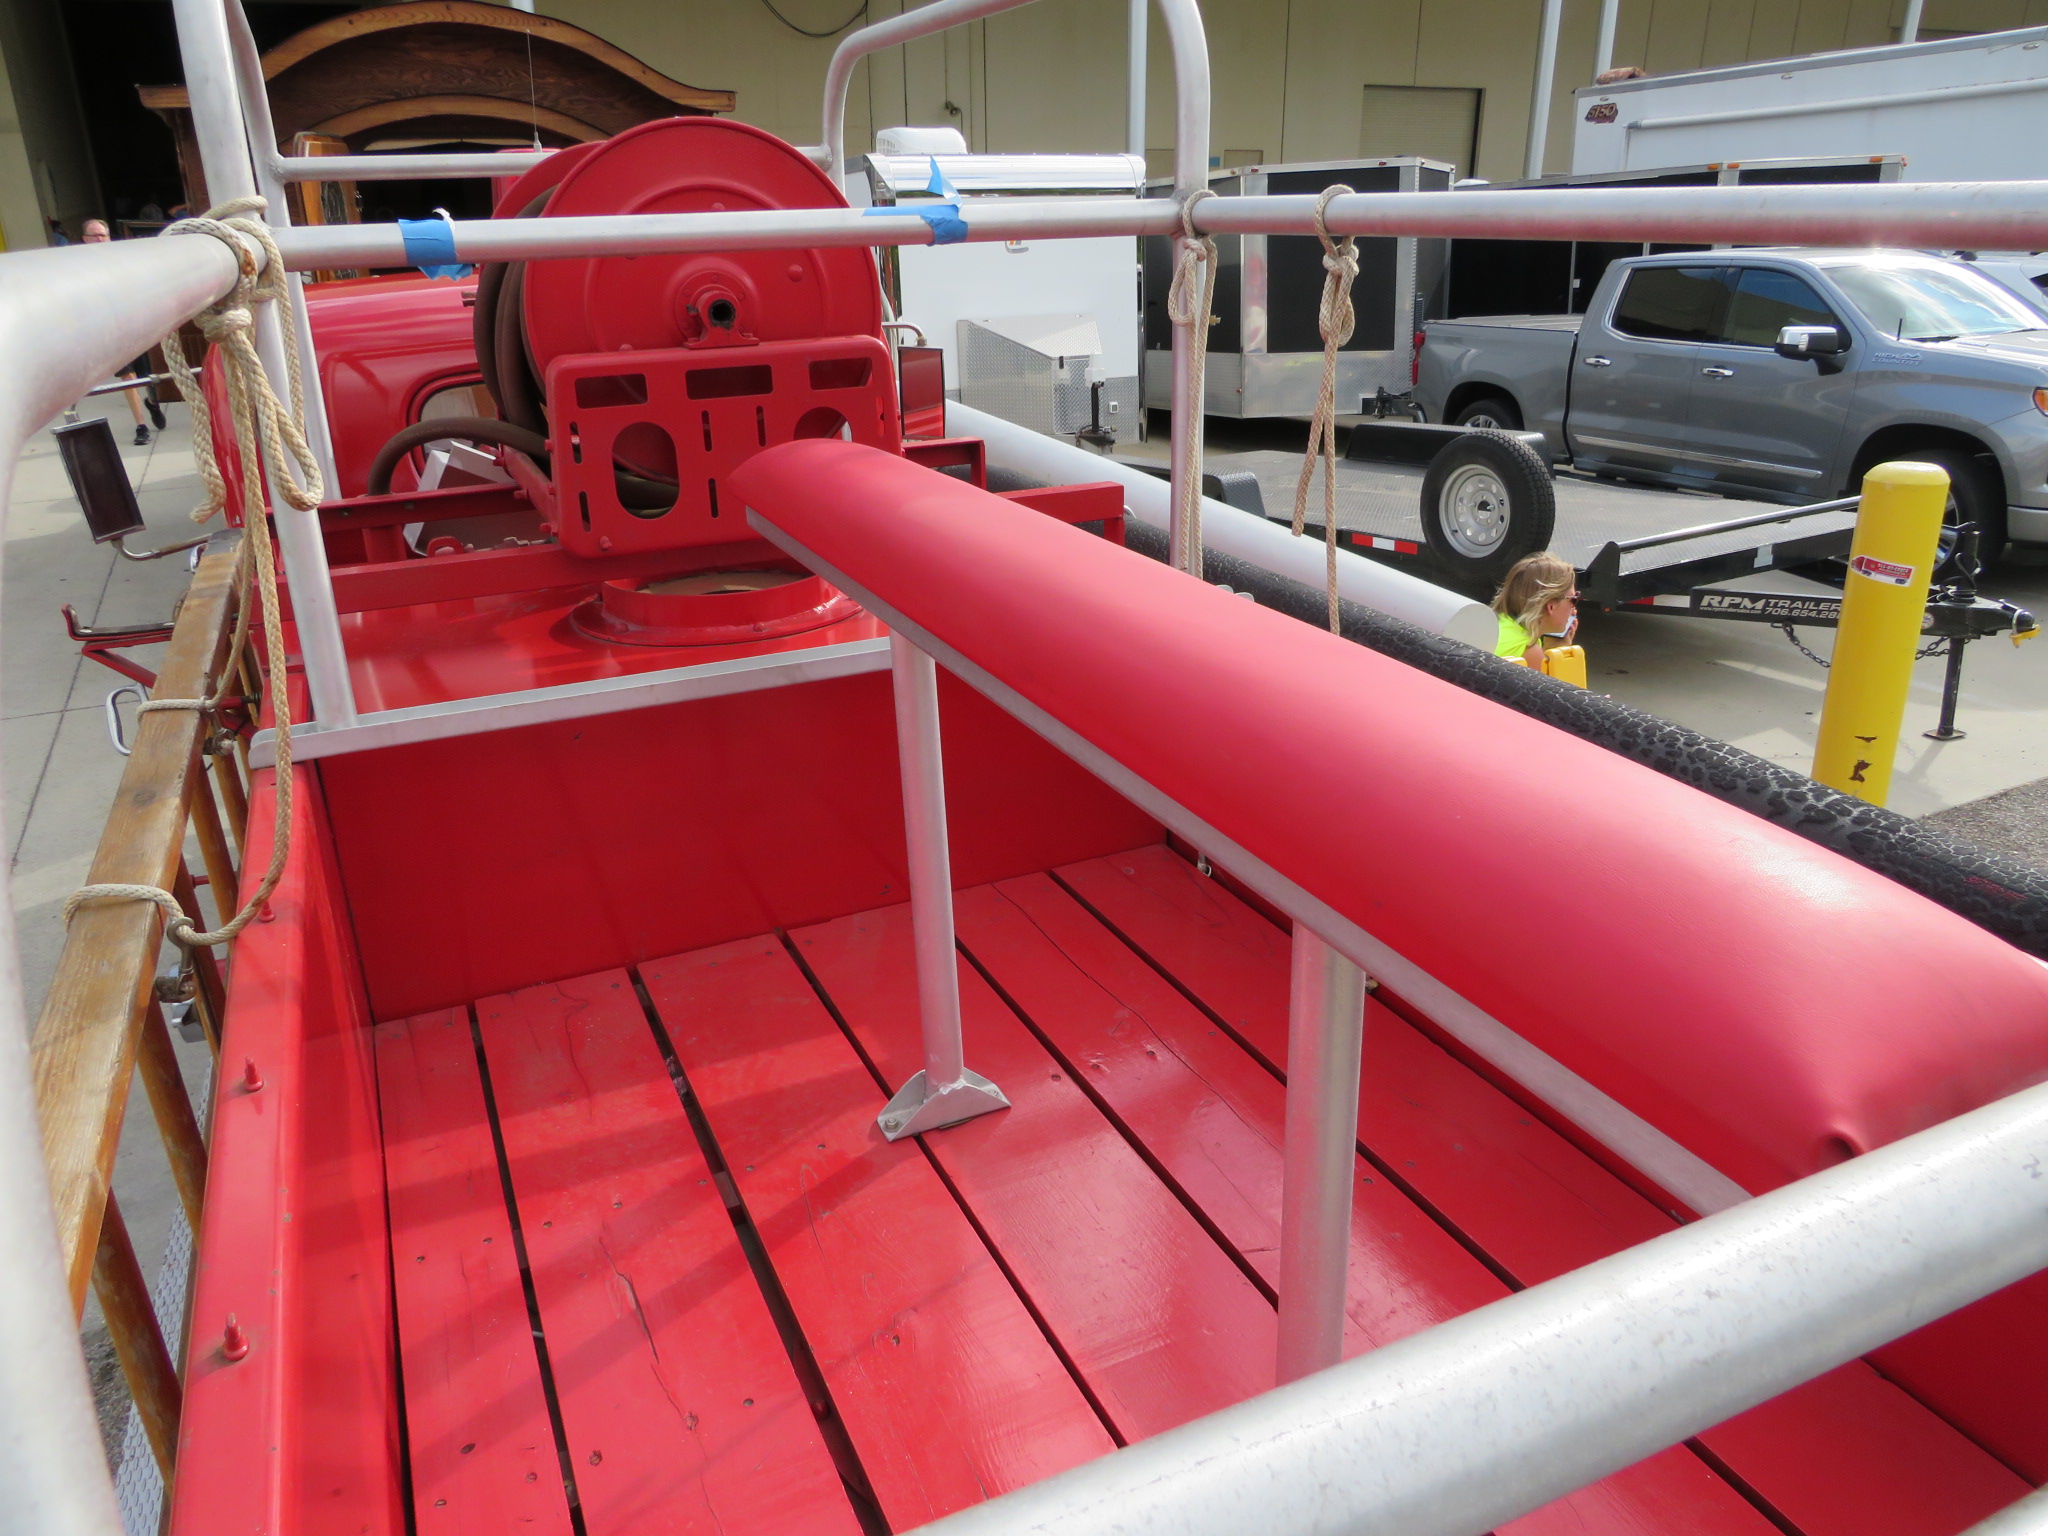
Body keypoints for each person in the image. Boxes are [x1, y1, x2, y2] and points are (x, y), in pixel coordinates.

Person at [80, 219, 167, 445]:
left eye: (103, 235)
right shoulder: (79, 267)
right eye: (95, 236)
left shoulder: (121, 260)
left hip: (134, 325)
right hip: (110, 332)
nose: (100, 240)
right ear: (84, 239)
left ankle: (152, 402)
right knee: (128, 377)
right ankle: (141, 425)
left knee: (147, 376)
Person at [1492, 552, 1578, 668]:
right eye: (1573, 599)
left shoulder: (1498, 623)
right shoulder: (1528, 651)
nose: (1574, 608)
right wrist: (1559, 652)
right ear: (1551, 607)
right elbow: (1554, 685)